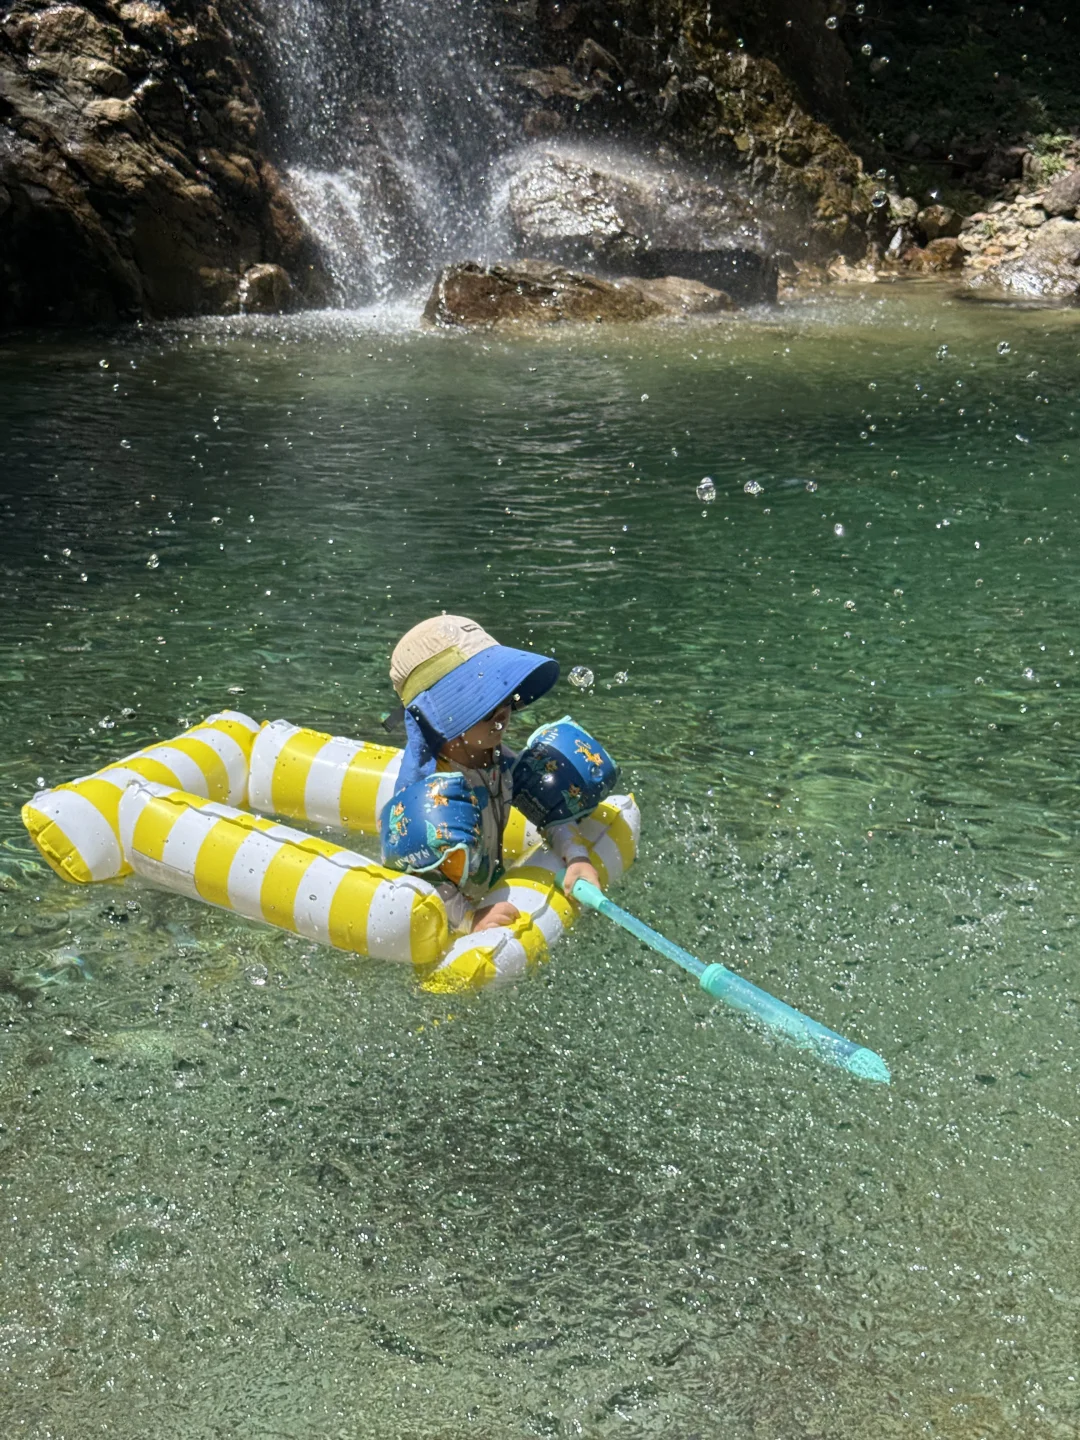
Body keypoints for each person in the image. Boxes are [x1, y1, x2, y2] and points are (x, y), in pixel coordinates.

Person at [385, 615, 604, 933]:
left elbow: (549, 808)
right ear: (434, 718)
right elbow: (417, 879)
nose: (502, 714)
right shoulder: (425, 793)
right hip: (438, 919)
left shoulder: (498, 759)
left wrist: (576, 854)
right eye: (482, 705)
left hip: (484, 881)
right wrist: (468, 919)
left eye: (504, 697)